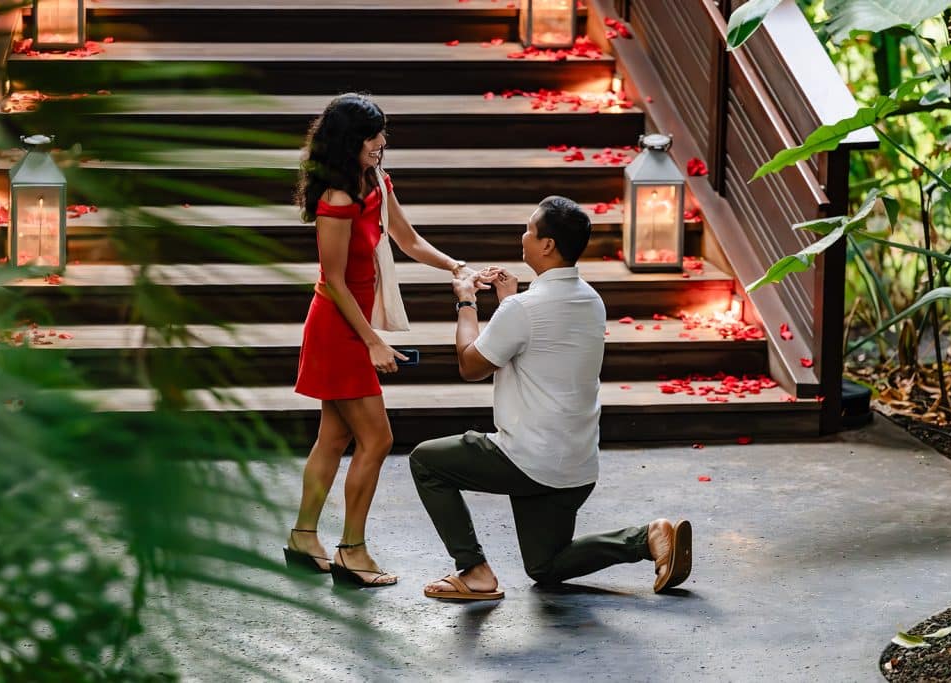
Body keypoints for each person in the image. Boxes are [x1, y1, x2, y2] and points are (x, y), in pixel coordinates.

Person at [409, 196, 693, 600]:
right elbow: (540, 342)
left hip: (527, 459)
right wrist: (509, 302)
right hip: (576, 466)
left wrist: (466, 302)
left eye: (528, 229)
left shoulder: (524, 309)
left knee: (425, 461)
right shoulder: (591, 301)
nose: (522, 235)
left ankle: (474, 572)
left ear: (546, 245)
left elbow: (471, 366)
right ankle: (647, 538)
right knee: (545, 567)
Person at [285, 93, 483, 588]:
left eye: (383, 134)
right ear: (351, 140)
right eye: (374, 136)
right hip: (338, 327)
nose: (382, 143)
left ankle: (303, 538)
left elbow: (408, 240)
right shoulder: (335, 199)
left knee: (333, 437)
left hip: (354, 326)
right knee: (378, 439)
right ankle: (351, 550)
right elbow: (332, 280)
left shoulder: (376, 181)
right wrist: (372, 340)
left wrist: (456, 266)